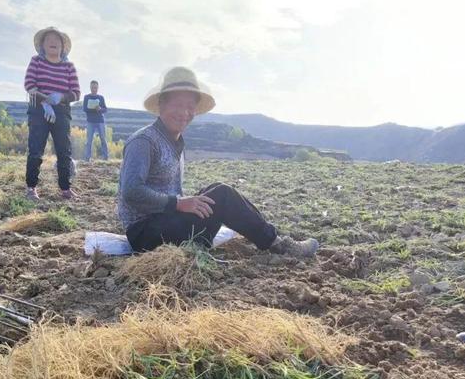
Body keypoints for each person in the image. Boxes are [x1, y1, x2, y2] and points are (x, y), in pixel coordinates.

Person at [117, 66, 319, 257]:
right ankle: (277, 244)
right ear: (161, 105)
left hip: (164, 222)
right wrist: (179, 203)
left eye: (190, 107)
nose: (184, 113)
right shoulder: (144, 141)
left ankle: (271, 235)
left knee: (213, 191)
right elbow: (132, 191)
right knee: (222, 195)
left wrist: (184, 203)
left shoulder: (174, 141)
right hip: (145, 234)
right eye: (177, 105)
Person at [24, 27, 80, 200]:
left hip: (62, 111)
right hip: (39, 110)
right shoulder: (36, 62)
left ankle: (65, 188)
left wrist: (61, 97)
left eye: (56, 40)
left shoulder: (69, 67)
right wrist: (45, 101)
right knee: (36, 149)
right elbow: (29, 85)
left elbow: (76, 93)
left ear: (63, 46)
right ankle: (31, 187)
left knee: (64, 150)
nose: (52, 42)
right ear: (42, 45)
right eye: (48, 39)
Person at [83, 80, 109, 161]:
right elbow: (84, 109)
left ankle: (105, 157)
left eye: (95, 87)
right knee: (89, 140)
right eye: (92, 87)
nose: (94, 89)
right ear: (90, 88)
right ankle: (87, 158)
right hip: (90, 121)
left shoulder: (101, 98)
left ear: (97, 88)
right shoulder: (86, 97)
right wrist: (93, 109)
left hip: (100, 121)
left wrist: (100, 109)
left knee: (103, 139)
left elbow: (105, 109)